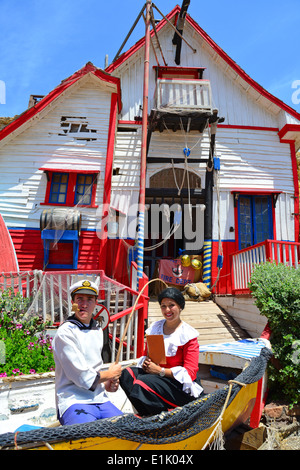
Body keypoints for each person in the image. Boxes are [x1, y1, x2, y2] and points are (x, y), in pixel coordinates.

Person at [120, 287, 203, 416]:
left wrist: (160, 371)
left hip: (178, 385)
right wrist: (146, 362)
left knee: (142, 383)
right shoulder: (155, 328)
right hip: (156, 376)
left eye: (171, 305)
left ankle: (161, 418)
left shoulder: (188, 335)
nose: (167, 310)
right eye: (163, 306)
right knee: (126, 374)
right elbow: (146, 354)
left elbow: (190, 373)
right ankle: (146, 413)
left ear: (180, 307)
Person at [52, 279, 122, 425]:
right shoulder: (65, 333)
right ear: (73, 303)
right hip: (73, 400)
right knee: (88, 437)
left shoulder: (97, 329)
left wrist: (108, 384)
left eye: (89, 299)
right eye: (79, 299)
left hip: (100, 398)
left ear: (96, 303)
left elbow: (95, 369)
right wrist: (110, 374)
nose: (84, 304)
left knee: (128, 429)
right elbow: (83, 378)